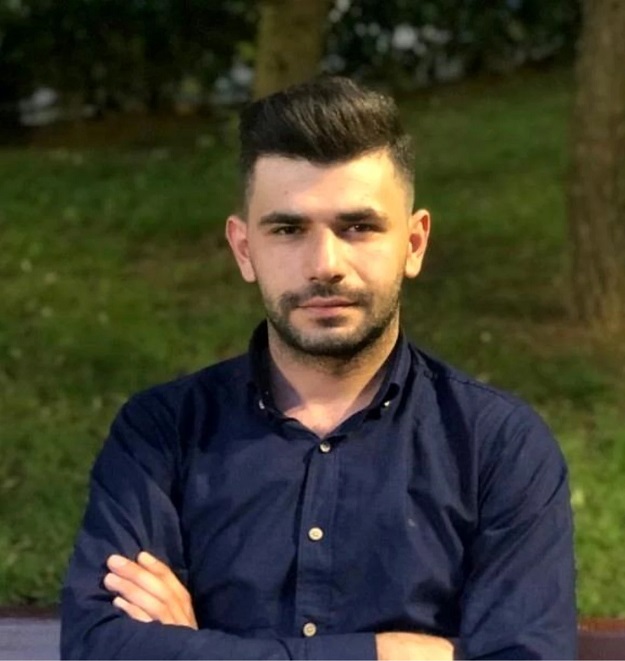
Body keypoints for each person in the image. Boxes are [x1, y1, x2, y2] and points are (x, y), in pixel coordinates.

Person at [60, 76, 576, 660]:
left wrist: (196, 650)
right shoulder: (161, 434)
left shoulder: (498, 447)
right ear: (244, 249)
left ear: (414, 243)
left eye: (358, 227)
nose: (325, 263)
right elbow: (101, 648)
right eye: (288, 230)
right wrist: (382, 655)